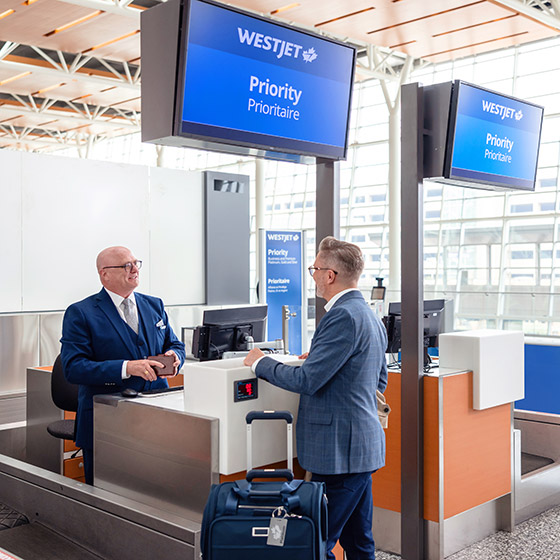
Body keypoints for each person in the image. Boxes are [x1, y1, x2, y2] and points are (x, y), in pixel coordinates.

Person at [244, 236, 387, 560]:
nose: (313, 275)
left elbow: (307, 381)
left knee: (312, 540)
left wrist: (260, 362)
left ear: (330, 275)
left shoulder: (341, 316)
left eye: (315, 269)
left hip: (339, 454)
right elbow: (378, 380)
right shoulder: (367, 314)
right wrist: (324, 359)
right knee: (358, 541)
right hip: (359, 450)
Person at [60, 246, 186, 485]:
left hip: (157, 415)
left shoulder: (154, 305)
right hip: (107, 418)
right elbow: (73, 367)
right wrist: (126, 368)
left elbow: (175, 343)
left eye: (136, 263)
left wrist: (175, 355)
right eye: (126, 265)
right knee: (105, 496)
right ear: (104, 274)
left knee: (155, 490)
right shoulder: (81, 313)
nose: (135, 269)